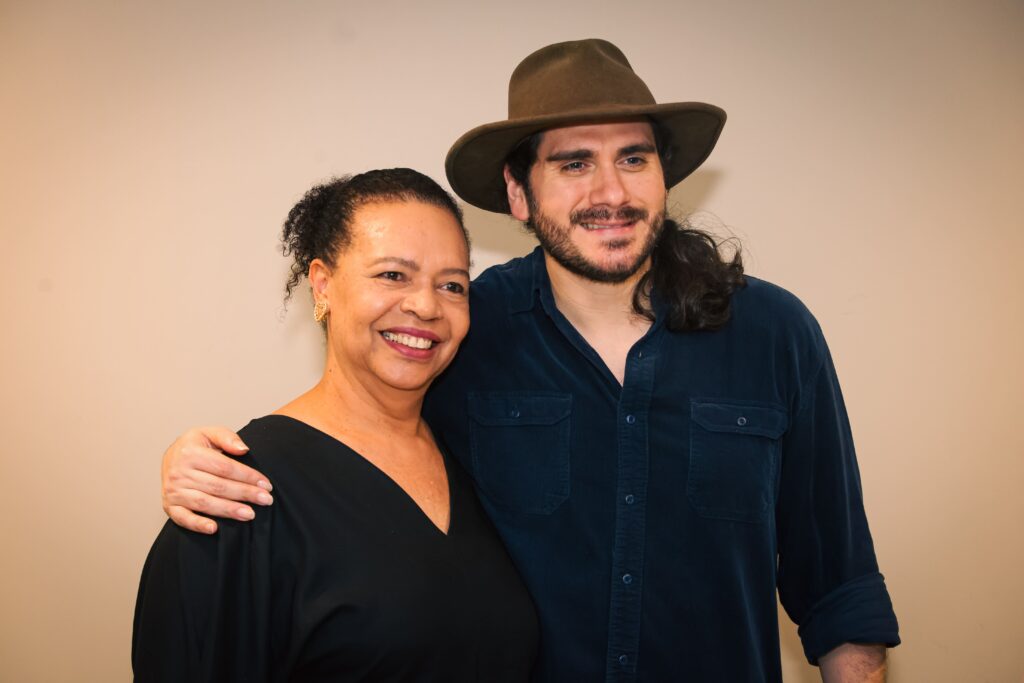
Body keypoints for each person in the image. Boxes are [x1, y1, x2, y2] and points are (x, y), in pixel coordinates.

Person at [156, 40, 900, 681]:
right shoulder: (465, 335)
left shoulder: (775, 334)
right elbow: (361, 443)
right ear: (518, 192)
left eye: (633, 158)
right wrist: (195, 459)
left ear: (663, 175)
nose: (611, 191)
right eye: (574, 163)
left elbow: (840, 591)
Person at [133, 169, 538, 681]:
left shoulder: (473, 453)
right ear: (323, 284)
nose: (426, 305)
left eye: (452, 285)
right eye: (393, 275)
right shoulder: (235, 495)